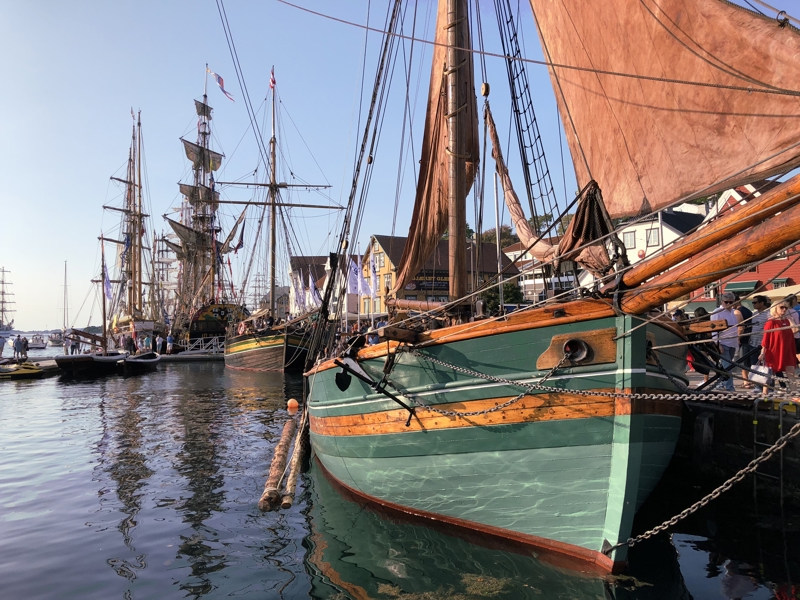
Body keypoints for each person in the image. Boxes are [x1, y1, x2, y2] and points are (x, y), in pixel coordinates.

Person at [759, 301, 797, 393]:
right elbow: (765, 339)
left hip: (787, 350)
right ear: (775, 308)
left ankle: (795, 395)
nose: (784, 309)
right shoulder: (771, 322)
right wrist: (762, 352)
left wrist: (790, 318)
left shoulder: (787, 321)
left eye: (786, 308)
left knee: (791, 372)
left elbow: (795, 329)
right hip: (774, 350)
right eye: (782, 307)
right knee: (769, 374)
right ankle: (765, 395)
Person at [711, 291, 741, 391]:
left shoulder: (733, 312)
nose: (728, 304)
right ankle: (730, 388)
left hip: (732, 343)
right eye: (726, 302)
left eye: (730, 302)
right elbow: (713, 329)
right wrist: (717, 344)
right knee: (728, 367)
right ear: (722, 301)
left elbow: (735, 328)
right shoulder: (717, 312)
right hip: (723, 343)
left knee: (726, 366)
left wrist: (737, 340)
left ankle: (722, 383)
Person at [734, 296, 754, 388]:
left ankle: (746, 382)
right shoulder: (748, 310)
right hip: (750, 336)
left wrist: (738, 338)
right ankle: (750, 380)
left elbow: (740, 327)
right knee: (749, 361)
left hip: (743, 338)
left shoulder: (737, 311)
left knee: (743, 361)